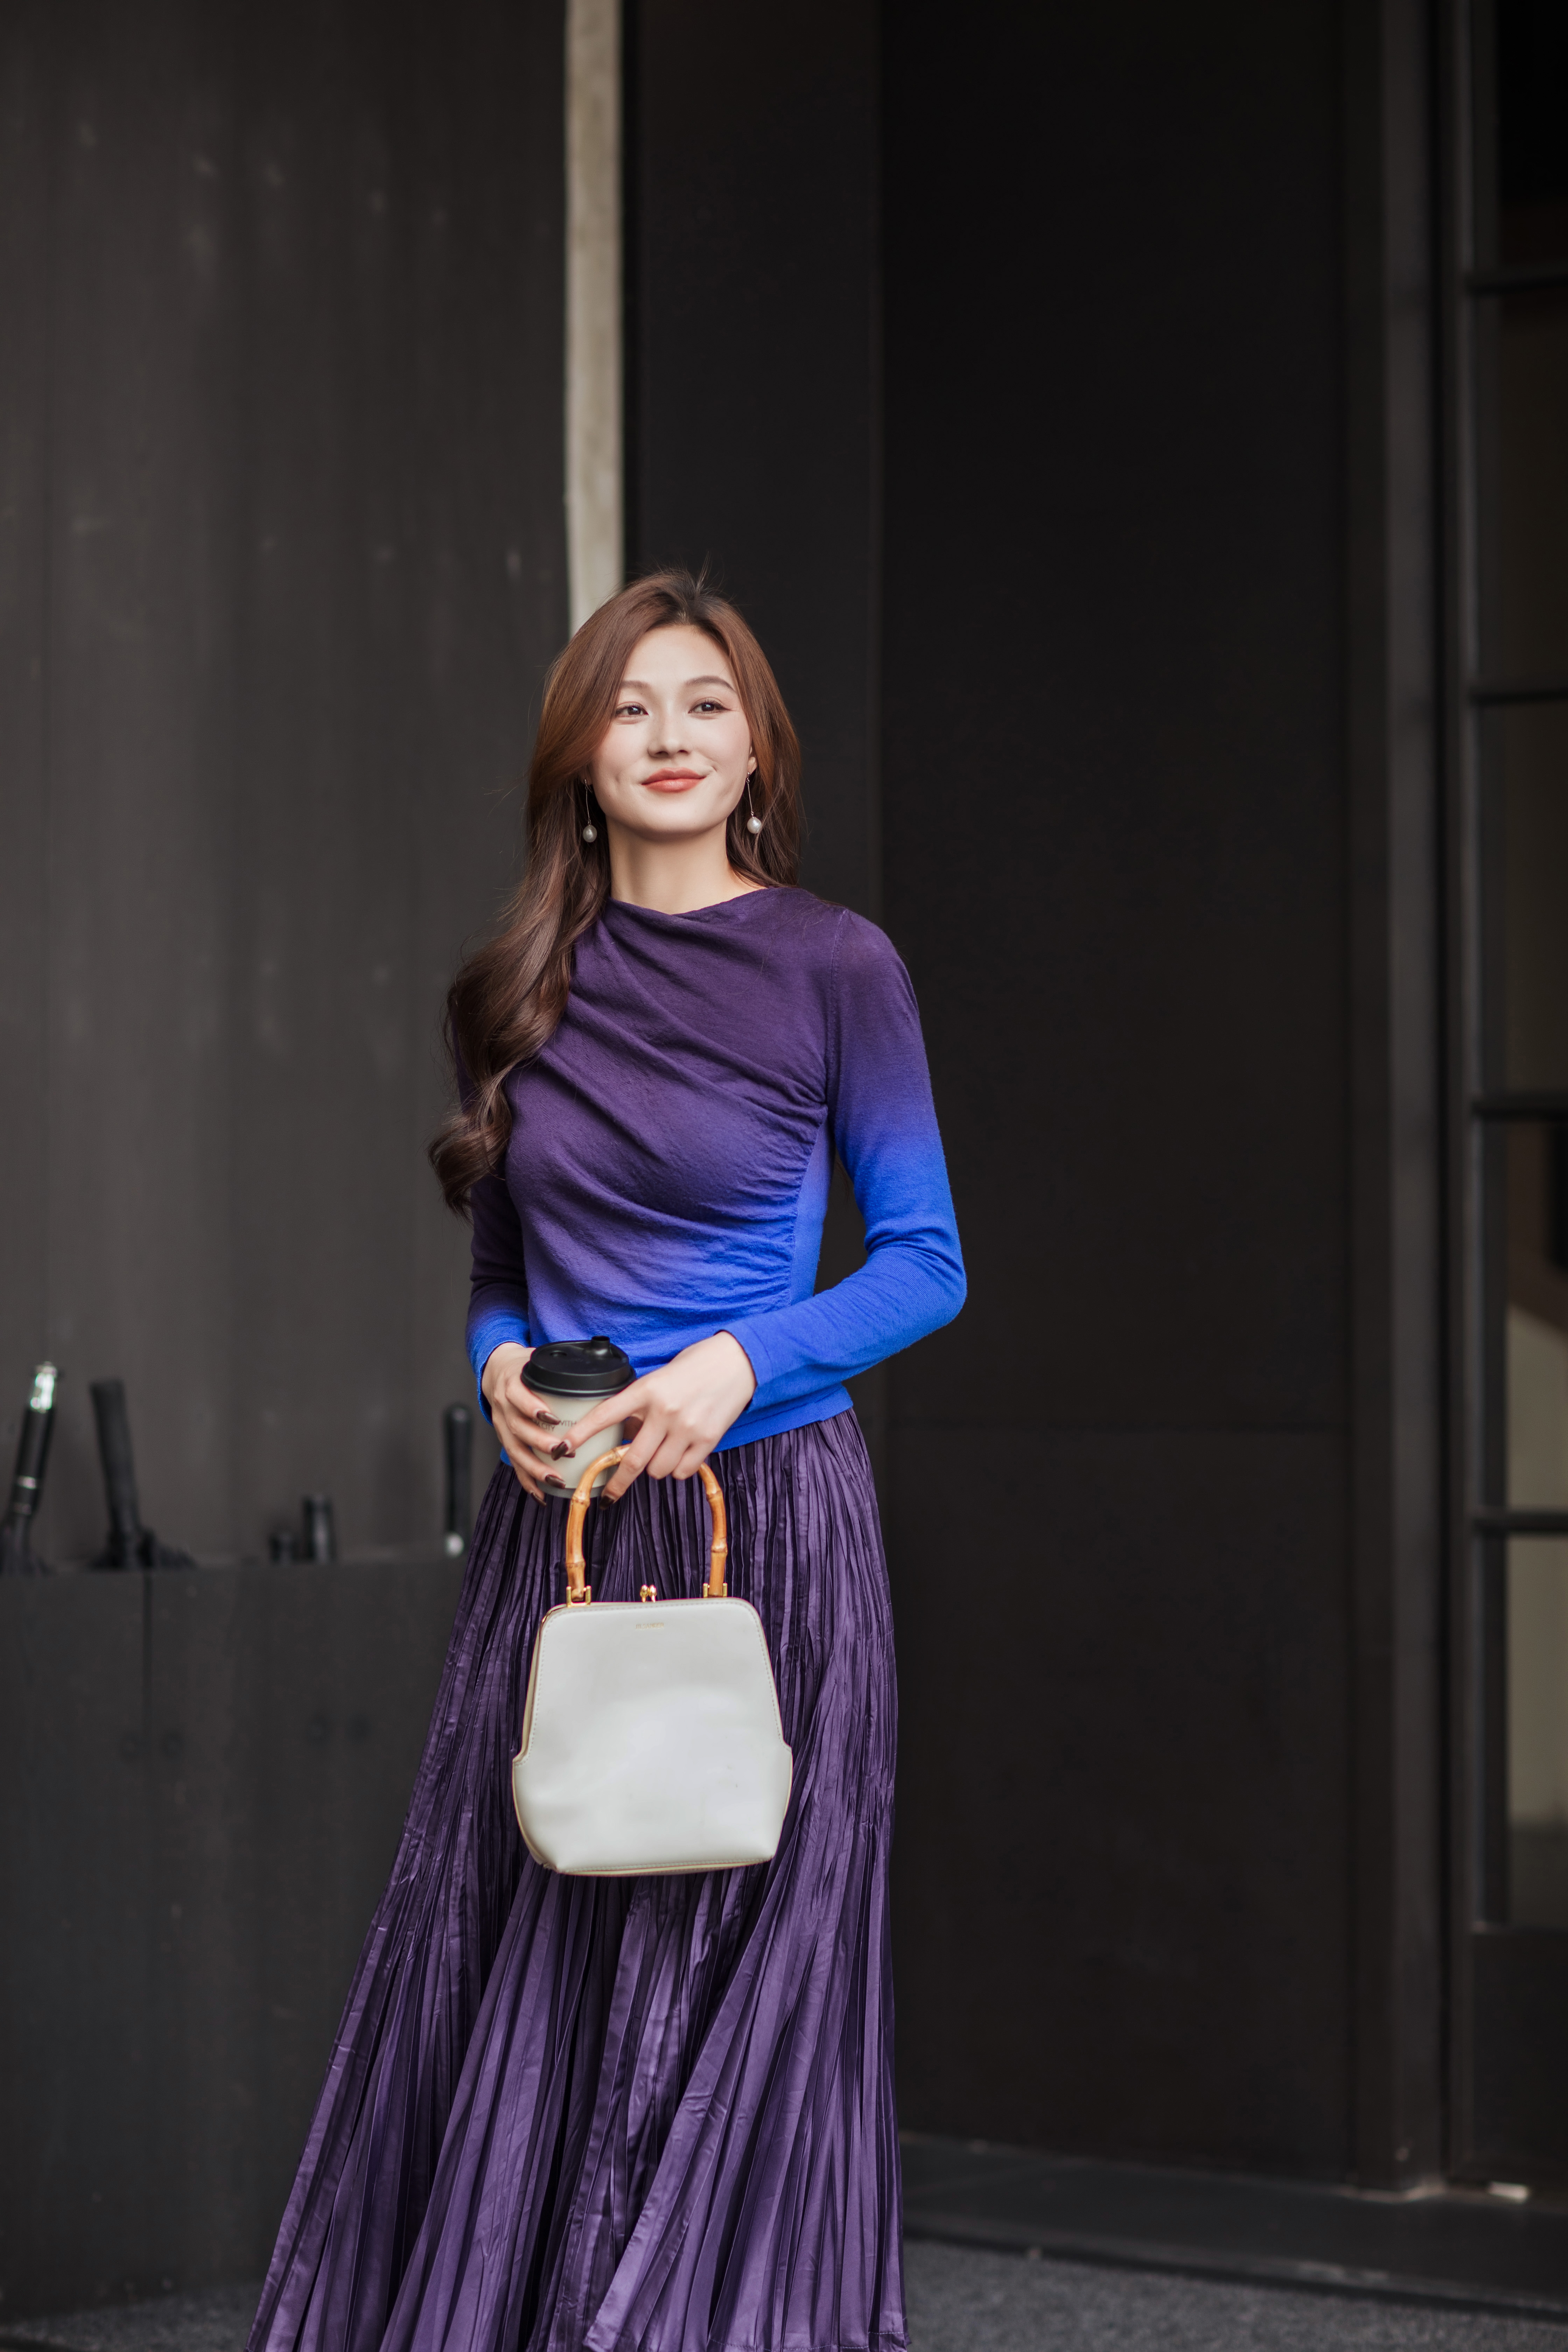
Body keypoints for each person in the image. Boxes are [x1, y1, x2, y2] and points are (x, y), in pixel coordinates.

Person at [248, 571, 965, 2352]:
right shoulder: (514, 990)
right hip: (561, 1535)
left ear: (756, 753)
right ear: (578, 756)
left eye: (706, 705)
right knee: (539, 1949)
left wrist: (737, 1362)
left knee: (741, 1975)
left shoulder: (838, 966)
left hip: (767, 1530)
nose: (669, 736)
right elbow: (502, 1277)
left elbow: (926, 1265)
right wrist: (497, 1371)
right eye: (631, 707)